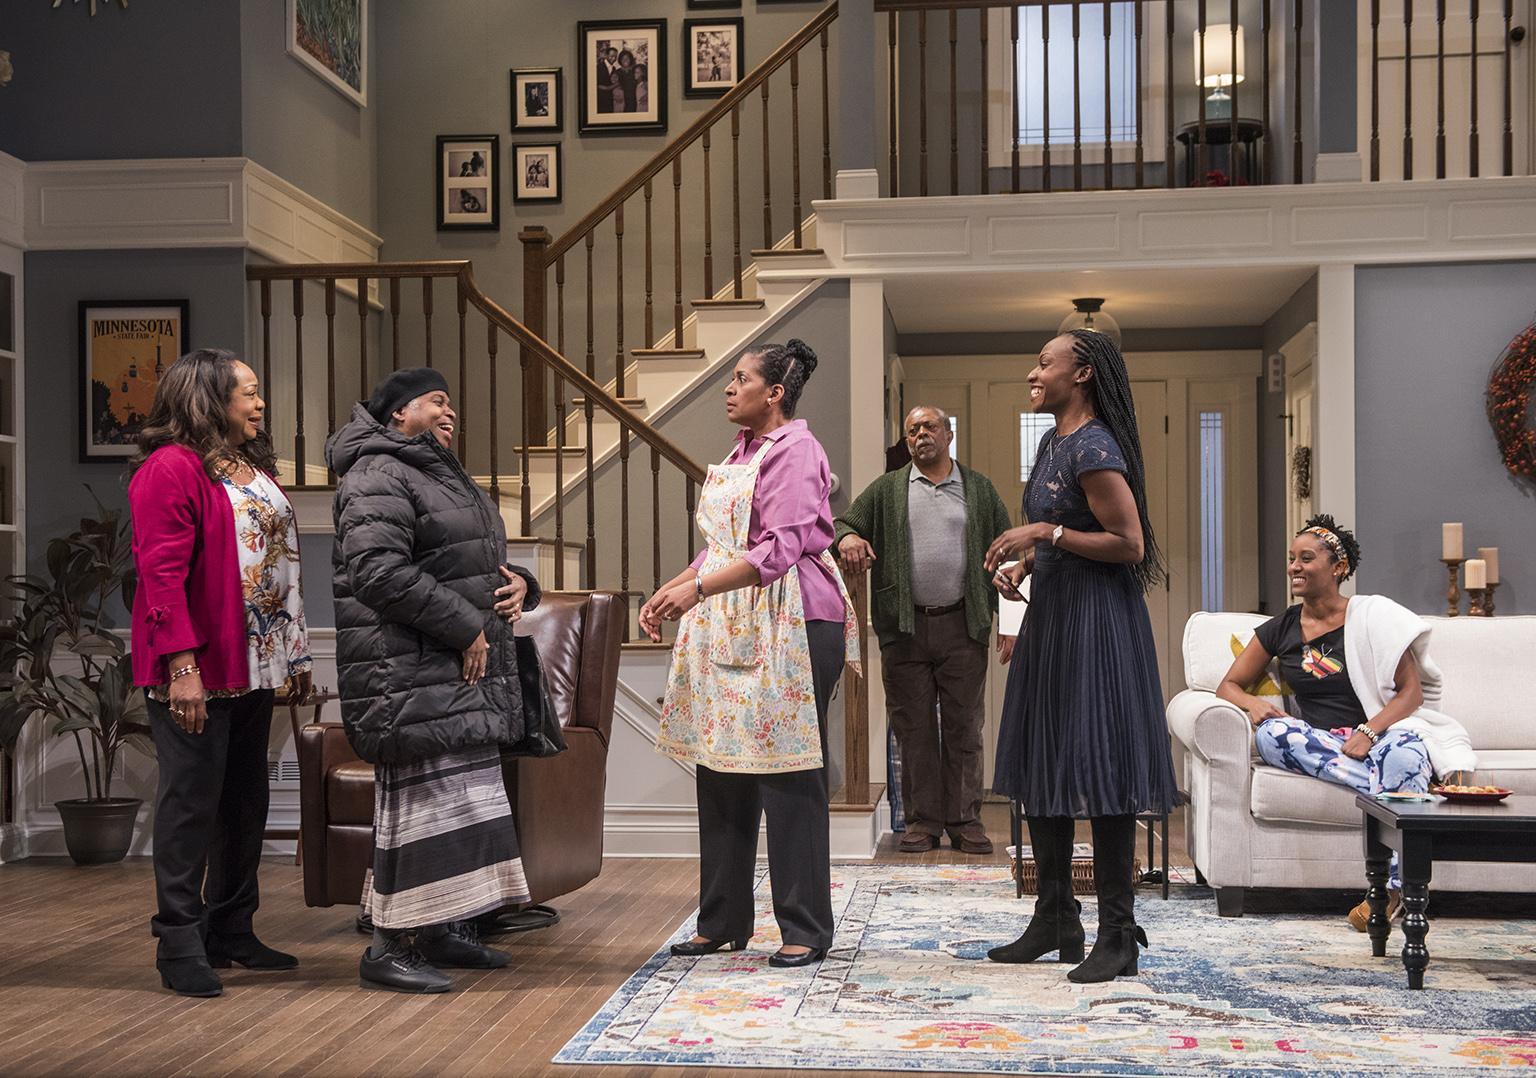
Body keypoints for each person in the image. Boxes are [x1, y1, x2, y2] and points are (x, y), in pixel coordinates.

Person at [645, 339, 860, 969]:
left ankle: (804, 927)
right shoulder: (741, 451)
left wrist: (697, 590)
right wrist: (677, 585)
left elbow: (782, 547)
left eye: (740, 379)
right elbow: (723, 543)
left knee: (789, 773)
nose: (728, 388)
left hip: (791, 618)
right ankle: (723, 919)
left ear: (775, 393)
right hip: (728, 617)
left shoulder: (797, 450)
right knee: (719, 768)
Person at [327, 367, 541, 994]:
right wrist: (465, 627)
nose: (452, 412)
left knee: (462, 802)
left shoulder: (432, 472)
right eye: (436, 402)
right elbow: (377, 571)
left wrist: (523, 585)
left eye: (454, 403)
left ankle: (444, 926)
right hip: (408, 668)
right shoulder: (377, 472)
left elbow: (467, 560)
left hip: (448, 664)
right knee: (421, 805)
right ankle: (388, 945)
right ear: (398, 414)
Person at [983, 329, 1178, 983]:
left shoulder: (1094, 445)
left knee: (1101, 766)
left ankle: (1118, 935)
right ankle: (1055, 917)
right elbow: (1066, 536)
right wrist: (1025, 565)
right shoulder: (1051, 442)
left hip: (1098, 625)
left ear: (1084, 372)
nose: (1032, 371)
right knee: (1046, 760)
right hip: (1055, 618)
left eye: (1045, 362)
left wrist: (1043, 532)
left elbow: (1127, 543)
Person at [129, 348, 313, 998]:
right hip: (196, 667)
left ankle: (231, 927)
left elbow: (275, 564)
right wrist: (182, 666)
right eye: (248, 393)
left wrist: (290, 657)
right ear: (207, 398)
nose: (259, 403)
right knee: (190, 803)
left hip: (254, 664)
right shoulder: (169, 469)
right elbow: (161, 574)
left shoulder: (247, 465)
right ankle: (178, 941)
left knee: (243, 802)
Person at [1216, 513, 1476, 931]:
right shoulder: (1280, 627)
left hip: (1380, 733)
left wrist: (1370, 732)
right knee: (1273, 734)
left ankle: (1393, 892)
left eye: (1306, 558)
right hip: (1319, 742)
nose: (1294, 567)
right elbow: (1227, 685)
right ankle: (1398, 789)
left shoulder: (1373, 617)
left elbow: (1411, 693)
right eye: (1291, 559)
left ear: (1338, 568)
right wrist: (1251, 703)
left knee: (1405, 753)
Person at [834, 405, 1014, 855]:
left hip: (964, 623)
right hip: (905, 626)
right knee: (912, 730)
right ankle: (922, 823)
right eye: (913, 430)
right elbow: (844, 523)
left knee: (965, 729)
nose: (920, 435)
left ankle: (965, 822)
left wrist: (1009, 623)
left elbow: (1008, 553)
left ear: (949, 434)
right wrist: (848, 539)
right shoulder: (889, 489)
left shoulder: (979, 490)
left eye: (929, 427)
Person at [597, 46, 618, 113]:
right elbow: (597, 85)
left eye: (615, 56)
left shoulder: (614, 68)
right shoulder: (598, 67)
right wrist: (616, 85)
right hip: (600, 100)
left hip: (610, 101)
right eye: (611, 56)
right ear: (606, 55)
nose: (614, 58)